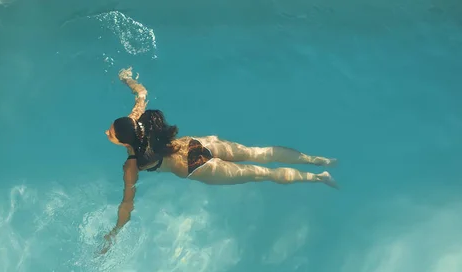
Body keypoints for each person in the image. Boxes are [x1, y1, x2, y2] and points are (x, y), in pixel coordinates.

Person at [100, 67, 338, 254]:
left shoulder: (132, 164)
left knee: (263, 173)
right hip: (198, 143)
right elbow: (142, 93)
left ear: (124, 141)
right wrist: (127, 79)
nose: (106, 133)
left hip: (198, 168)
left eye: (110, 133)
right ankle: (318, 160)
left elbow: (127, 204)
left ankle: (319, 177)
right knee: (259, 153)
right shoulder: (136, 121)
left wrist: (115, 233)